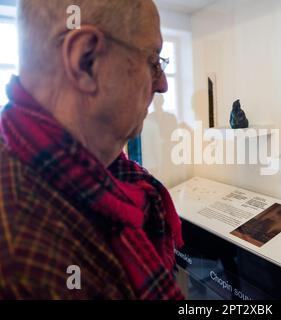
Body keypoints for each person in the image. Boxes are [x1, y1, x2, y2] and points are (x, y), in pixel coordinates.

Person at [0, 0, 184, 300]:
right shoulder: (20, 260)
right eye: (153, 60)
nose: (162, 84)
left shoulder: (111, 178)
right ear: (87, 61)